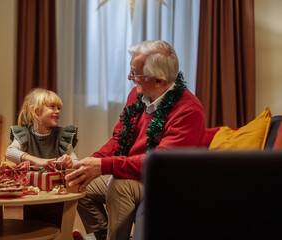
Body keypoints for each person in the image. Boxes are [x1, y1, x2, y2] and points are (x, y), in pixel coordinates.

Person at [65, 40, 205, 240]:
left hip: (167, 183)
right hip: (134, 172)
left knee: (118, 185)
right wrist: (91, 164)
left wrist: (105, 166)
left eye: (136, 74)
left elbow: (160, 164)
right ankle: (105, 236)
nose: (130, 77)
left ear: (158, 79)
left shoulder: (189, 110)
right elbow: (119, 139)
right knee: (80, 183)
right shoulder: (138, 94)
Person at [6, 88, 78, 225]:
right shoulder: (24, 134)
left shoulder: (61, 135)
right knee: (32, 228)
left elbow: (75, 161)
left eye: (59, 108)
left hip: (56, 197)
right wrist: (37, 161)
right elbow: (10, 152)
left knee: (56, 229)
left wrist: (69, 161)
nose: (57, 111)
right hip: (31, 197)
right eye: (52, 107)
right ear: (36, 111)